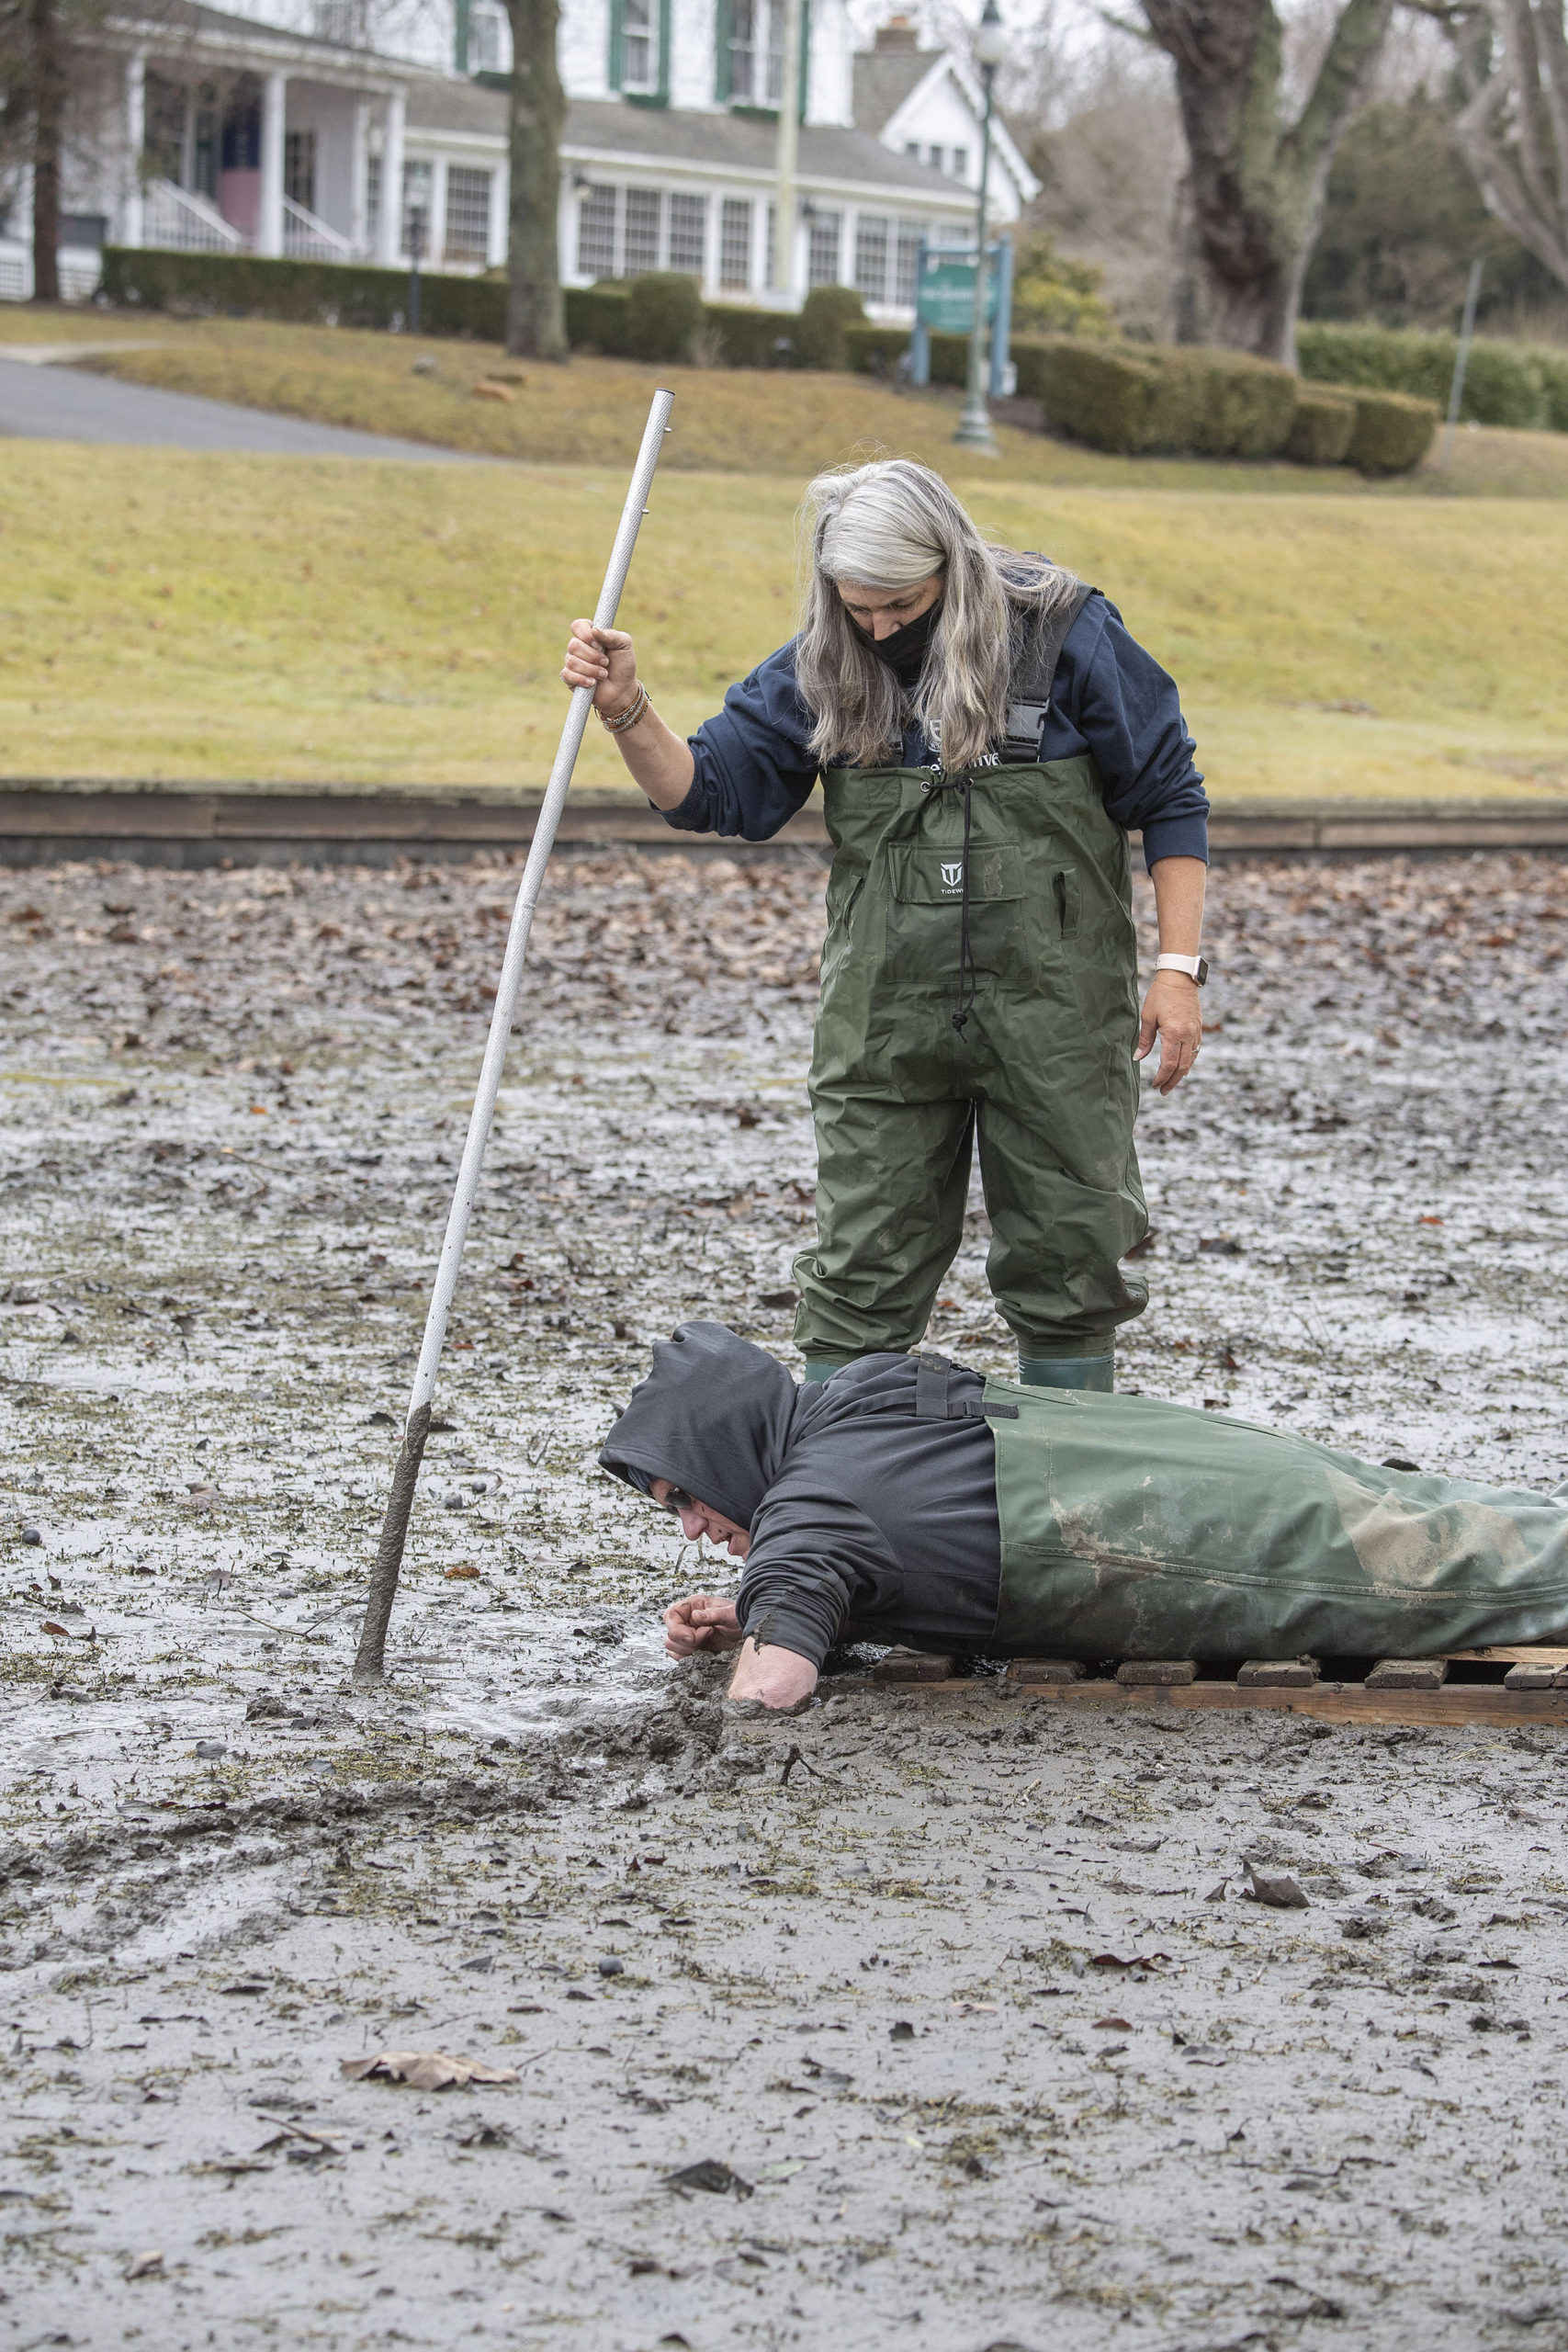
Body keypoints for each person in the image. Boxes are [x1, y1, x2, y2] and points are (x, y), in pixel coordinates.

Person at [561, 459, 1210, 1395]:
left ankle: (1069, 1495)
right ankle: (838, 1503)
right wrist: (625, 709)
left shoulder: (1069, 634)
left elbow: (1171, 794)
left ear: (953, 564)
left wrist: (1178, 969)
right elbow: (707, 792)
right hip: (885, 1022)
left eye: (900, 605)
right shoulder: (830, 656)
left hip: (1057, 1017)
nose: (878, 630)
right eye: (857, 607)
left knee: (1075, 1253)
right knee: (860, 1258)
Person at [601, 1324, 1568, 1712]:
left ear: (725, 1447)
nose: (691, 1526)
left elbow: (769, 1696)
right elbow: (899, 1527)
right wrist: (772, 1604)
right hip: (1212, 1462)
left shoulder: (805, 1525)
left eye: (685, 1494)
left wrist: (770, 1619)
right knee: (1476, 1523)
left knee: (1491, 1580)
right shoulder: (857, 1388)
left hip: (1215, 1547)